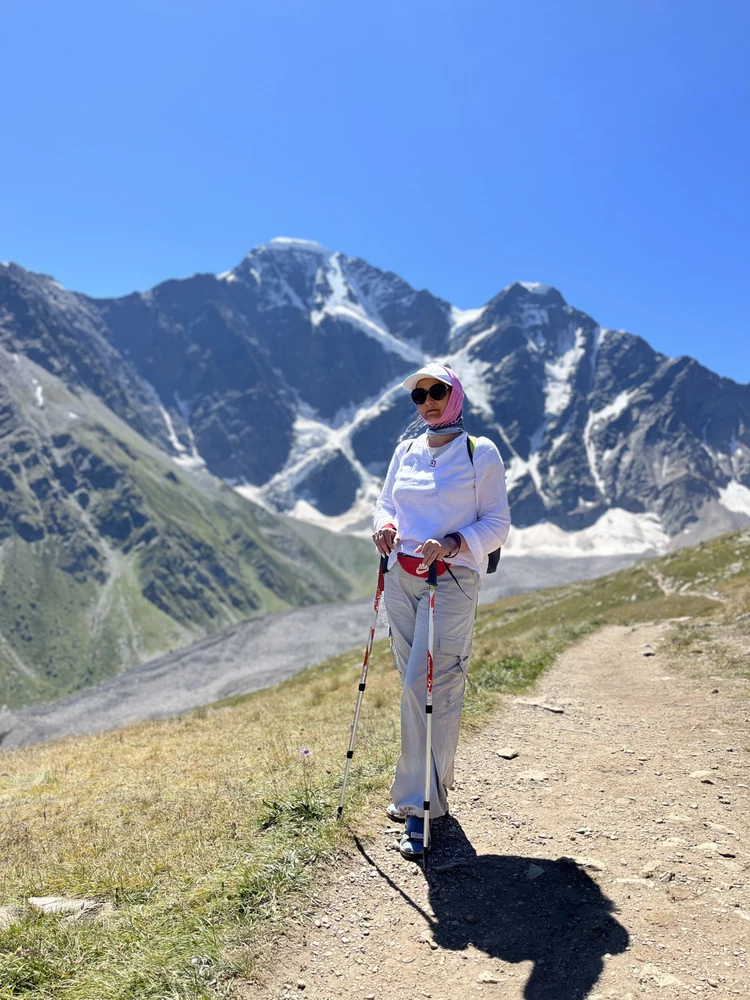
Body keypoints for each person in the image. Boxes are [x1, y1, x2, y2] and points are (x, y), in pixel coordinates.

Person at [372, 362, 511, 858]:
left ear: (456, 395)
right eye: (419, 395)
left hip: (450, 580)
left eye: (437, 391)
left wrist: (454, 541)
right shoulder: (405, 450)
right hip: (402, 577)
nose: (428, 400)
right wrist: (385, 526)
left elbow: (497, 523)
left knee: (428, 685)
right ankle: (426, 789)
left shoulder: (480, 452)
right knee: (416, 688)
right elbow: (385, 503)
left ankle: (422, 806)